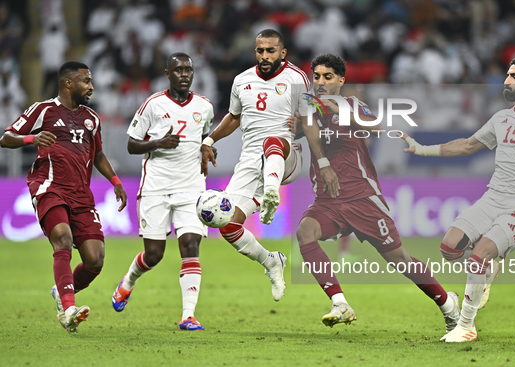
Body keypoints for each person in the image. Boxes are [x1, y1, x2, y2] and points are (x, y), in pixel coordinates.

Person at [401, 55, 515, 342]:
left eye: (514, 76)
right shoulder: (501, 118)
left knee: (479, 255)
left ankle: (466, 325)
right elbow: (466, 145)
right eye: (508, 75)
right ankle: (487, 269)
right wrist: (422, 149)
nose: (507, 81)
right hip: (493, 197)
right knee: (449, 247)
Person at [295, 53, 460, 332]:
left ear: (340, 80)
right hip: (328, 199)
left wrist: (337, 110)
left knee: (400, 261)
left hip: (362, 197)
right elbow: (300, 134)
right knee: (304, 233)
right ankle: (340, 303)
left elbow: (376, 127)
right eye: (317, 76)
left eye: (328, 76)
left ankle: (448, 304)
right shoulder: (308, 107)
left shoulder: (352, 104)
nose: (321, 82)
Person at [0, 61, 127, 333]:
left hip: (82, 194)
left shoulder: (91, 118)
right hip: (50, 187)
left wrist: (115, 181)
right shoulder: (43, 110)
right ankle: (68, 309)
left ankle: (61, 292)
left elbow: (99, 155)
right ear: (68, 83)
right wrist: (31, 140)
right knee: (63, 239)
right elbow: (6, 137)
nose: (91, 87)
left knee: (95, 260)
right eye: (86, 81)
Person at [200, 29, 310, 301]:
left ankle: (272, 193)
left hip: (287, 154)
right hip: (250, 162)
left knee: (272, 140)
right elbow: (234, 117)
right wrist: (209, 139)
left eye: (270, 50)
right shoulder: (242, 80)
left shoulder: (297, 78)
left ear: (282, 53)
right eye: (260, 50)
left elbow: (312, 121)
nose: (264, 55)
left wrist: (301, 129)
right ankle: (272, 261)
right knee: (226, 224)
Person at [111, 53, 214, 331]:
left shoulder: (204, 106)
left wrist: (208, 145)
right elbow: (132, 144)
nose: (184, 74)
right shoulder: (153, 105)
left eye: (188, 70)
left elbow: (205, 135)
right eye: (178, 69)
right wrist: (158, 143)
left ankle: (188, 315)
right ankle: (128, 282)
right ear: (167, 74)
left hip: (191, 188)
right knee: (154, 255)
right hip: (156, 187)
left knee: (190, 244)